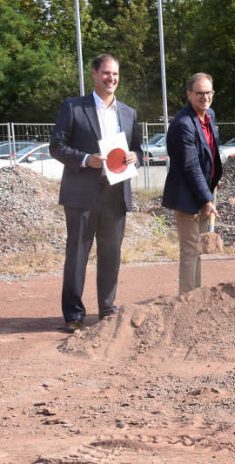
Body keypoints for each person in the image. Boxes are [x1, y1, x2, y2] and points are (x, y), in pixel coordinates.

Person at [49, 54, 142, 332]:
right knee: (77, 254)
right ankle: (73, 314)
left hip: (115, 193)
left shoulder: (128, 113)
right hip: (82, 194)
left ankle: (107, 309)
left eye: (115, 74)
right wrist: (85, 158)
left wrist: (136, 156)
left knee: (111, 254)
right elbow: (56, 146)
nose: (111, 78)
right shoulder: (73, 107)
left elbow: (139, 149)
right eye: (105, 73)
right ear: (94, 74)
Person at [162, 73, 223, 294]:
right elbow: (190, 166)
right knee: (190, 251)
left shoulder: (210, 116)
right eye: (199, 93)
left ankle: (195, 295)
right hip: (188, 196)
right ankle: (186, 299)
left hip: (203, 191)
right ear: (189, 94)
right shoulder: (183, 124)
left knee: (198, 250)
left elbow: (210, 154)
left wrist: (214, 181)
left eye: (208, 92)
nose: (204, 97)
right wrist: (206, 199)